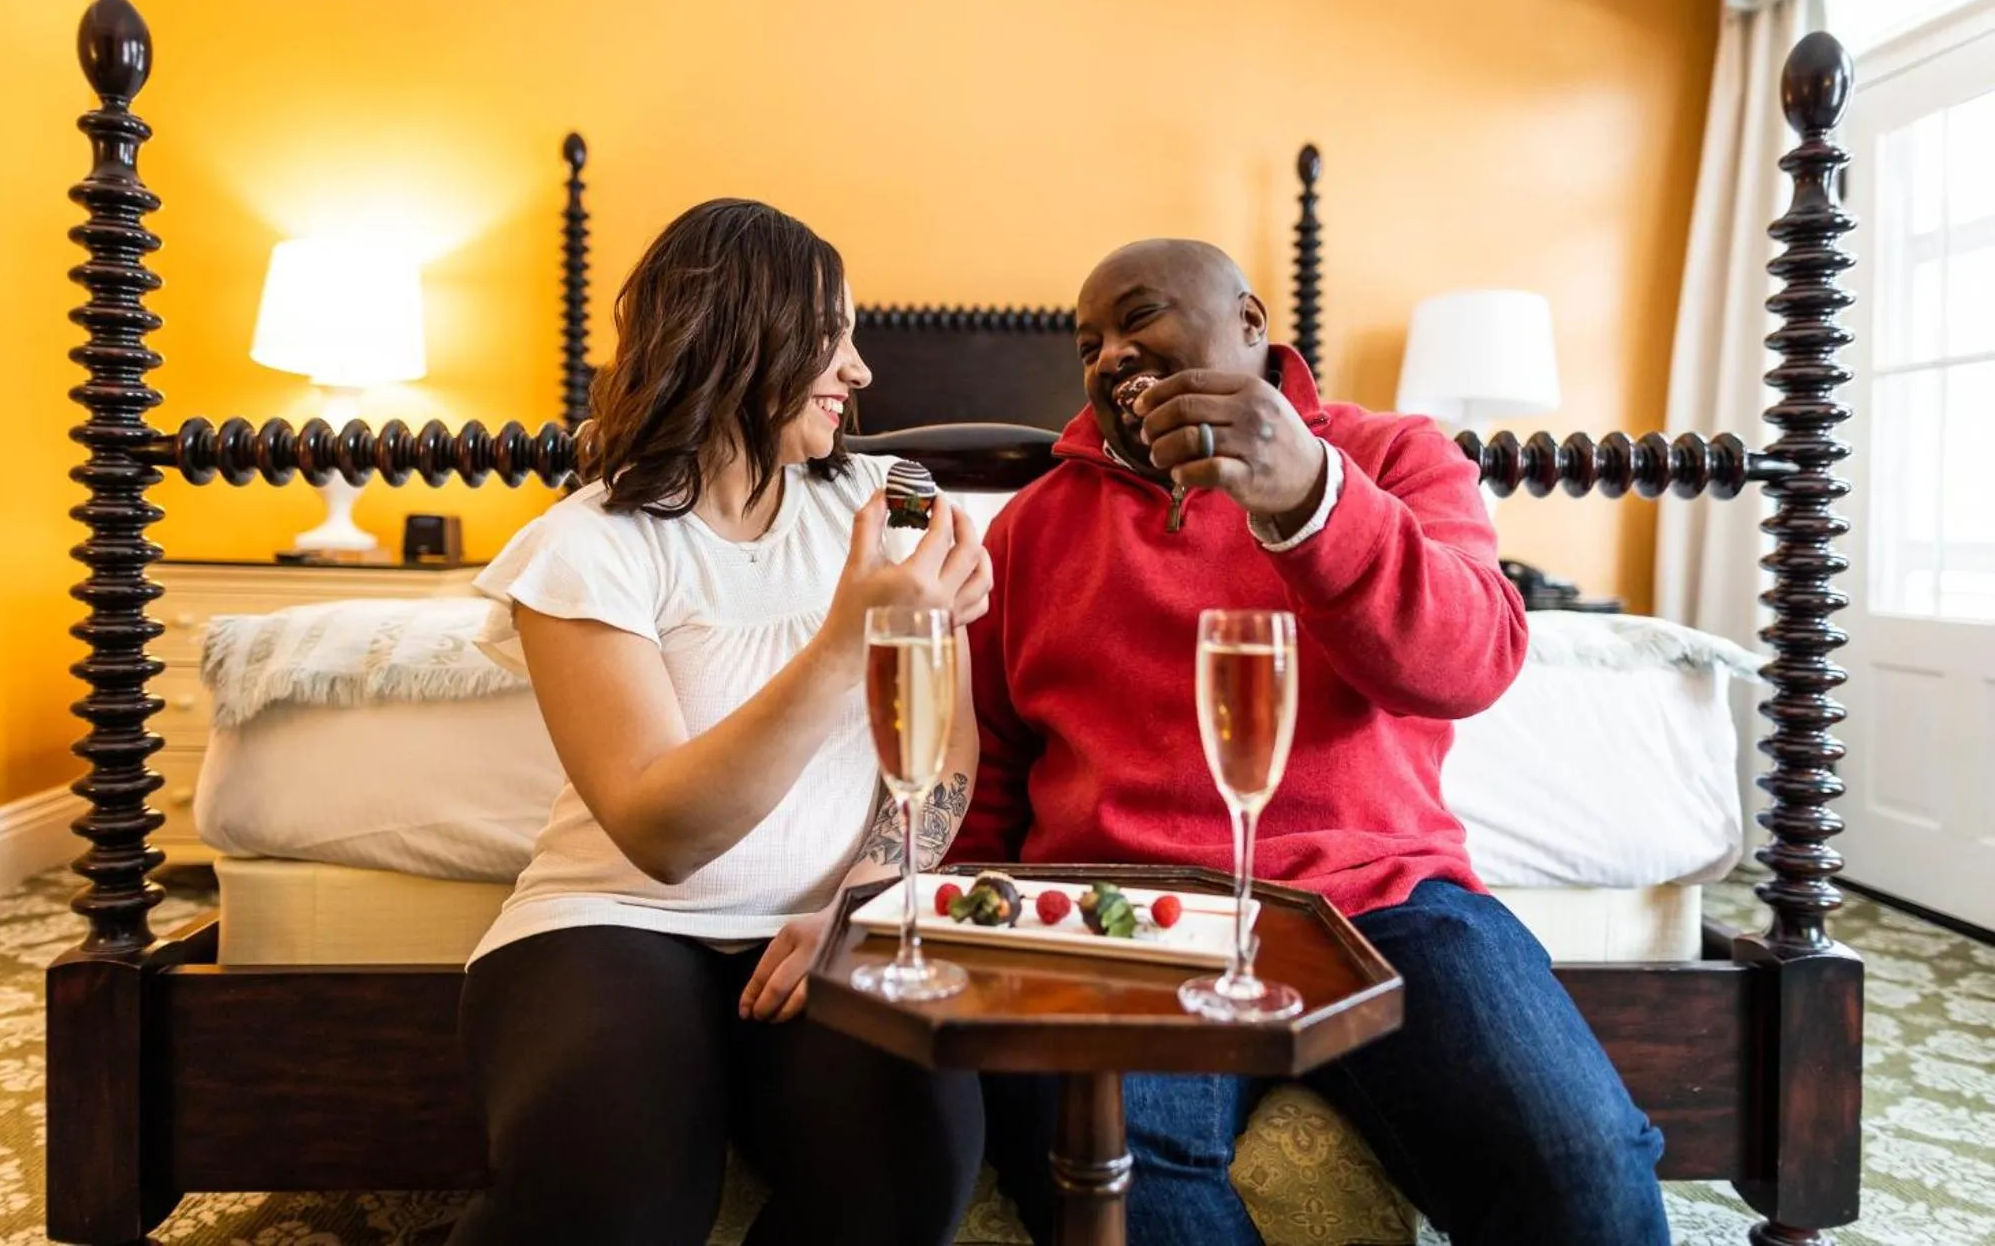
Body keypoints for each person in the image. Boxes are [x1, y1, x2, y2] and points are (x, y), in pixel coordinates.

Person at [952, 239, 1670, 1246]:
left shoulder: (1395, 456)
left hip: (1384, 899)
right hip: (1123, 921)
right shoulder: (1027, 530)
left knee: (1579, 1165)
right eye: (1088, 342)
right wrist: (973, 934)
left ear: (1248, 324)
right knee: (1121, 1187)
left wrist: (1307, 497)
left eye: (1138, 318)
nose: (1109, 353)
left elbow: (1472, 663)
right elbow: (984, 771)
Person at [448, 198, 991, 1246]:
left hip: (836, 919)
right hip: (611, 925)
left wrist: (867, 900)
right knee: (616, 1200)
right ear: (744, 338)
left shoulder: (893, 506)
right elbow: (664, 836)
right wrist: (843, 644)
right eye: (832, 334)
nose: (861, 369)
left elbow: (945, 751)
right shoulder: (588, 547)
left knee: (911, 1160)